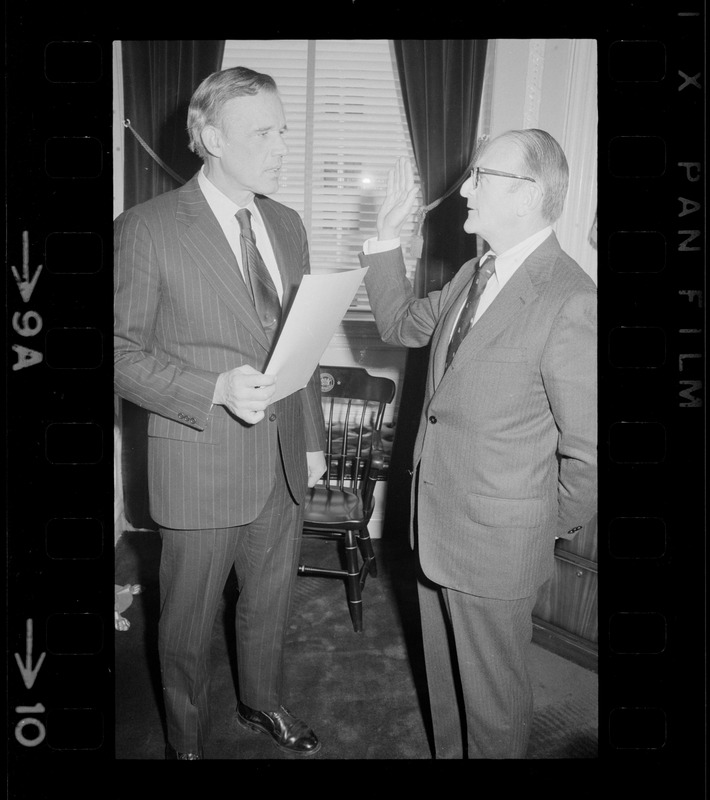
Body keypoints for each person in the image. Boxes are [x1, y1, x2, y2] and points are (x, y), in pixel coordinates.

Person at [359, 129, 597, 759]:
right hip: (435, 526)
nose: (464, 188)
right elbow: (398, 325)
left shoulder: (571, 298)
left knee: (492, 713)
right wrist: (386, 237)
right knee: (447, 692)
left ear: (529, 195)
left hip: (496, 543)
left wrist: (532, 527)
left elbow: (591, 455)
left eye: (480, 176)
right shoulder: (474, 271)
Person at [114, 66, 327, 759]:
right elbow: (116, 352)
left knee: (269, 605)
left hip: (283, 458)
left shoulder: (288, 225)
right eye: (262, 132)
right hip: (200, 461)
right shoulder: (146, 229)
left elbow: (306, 341)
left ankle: (262, 703)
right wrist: (211, 388)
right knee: (185, 626)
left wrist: (315, 438)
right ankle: (185, 741)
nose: (279, 147)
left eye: (283, 131)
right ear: (208, 137)